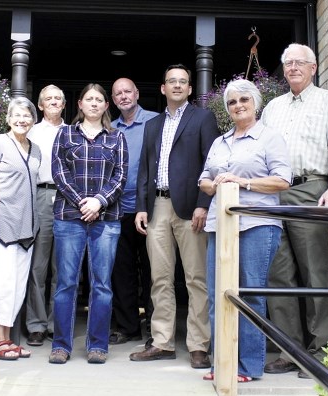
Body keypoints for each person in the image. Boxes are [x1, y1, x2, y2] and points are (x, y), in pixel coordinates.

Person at [261, 43, 328, 378]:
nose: (294, 67)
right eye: (288, 63)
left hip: (310, 189)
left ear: (313, 68)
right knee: (277, 273)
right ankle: (290, 351)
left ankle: (320, 354)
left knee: (315, 270)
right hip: (274, 194)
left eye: (300, 62)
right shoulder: (272, 108)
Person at [198, 79, 291, 382]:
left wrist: (242, 183)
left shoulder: (269, 138)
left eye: (244, 101)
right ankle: (221, 363)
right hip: (219, 223)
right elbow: (204, 178)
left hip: (257, 223)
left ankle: (249, 366)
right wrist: (213, 185)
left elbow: (282, 180)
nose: (238, 106)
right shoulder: (219, 141)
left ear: (255, 103)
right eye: (232, 102)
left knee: (250, 294)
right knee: (217, 294)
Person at [129, 64, 220, 369]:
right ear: (163, 88)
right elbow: (144, 169)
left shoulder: (203, 118)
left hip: (191, 207)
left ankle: (198, 345)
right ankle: (162, 342)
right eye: (172, 81)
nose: (178, 86)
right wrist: (142, 206)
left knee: (196, 278)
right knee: (160, 278)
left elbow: (213, 163)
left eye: (183, 82)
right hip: (158, 207)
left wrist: (204, 203)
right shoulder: (152, 125)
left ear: (190, 89)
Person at [48, 83, 127, 365]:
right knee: (66, 283)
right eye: (89, 99)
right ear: (79, 104)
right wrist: (84, 202)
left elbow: (120, 177)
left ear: (107, 106)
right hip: (69, 218)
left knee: (102, 285)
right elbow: (58, 172)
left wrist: (99, 202)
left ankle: (98, 345)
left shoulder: (117, 138)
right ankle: (61, 345)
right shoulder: (65, 134)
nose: (94, 103)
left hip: (106, 220)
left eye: (99, 100)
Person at [0, 97, 41, 361]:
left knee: (17, 287)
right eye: (16, 115)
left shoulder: (35, 149)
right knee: (3, 284)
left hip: (27, 227)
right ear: (8, 119)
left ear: (33, 120)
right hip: (3, 224)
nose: (21, 120)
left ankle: (5, 339)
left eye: (27, 116)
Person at [109, 78, 158, 345]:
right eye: (118, 93)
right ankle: (128, 327)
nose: (124, 96)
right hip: (116, 210)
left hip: (149, 208)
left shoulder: (155, 122)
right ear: (113, 99)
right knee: (122, 272)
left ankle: (154, 329)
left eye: (128, 91)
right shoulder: (109, 127)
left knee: (154, 271)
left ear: (137, 93)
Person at [24, 85, 67, 347]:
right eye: (48, 98)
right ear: (40, 105)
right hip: (40, 196)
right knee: (38, 266)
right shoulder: (31, 131)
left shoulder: (73, 131)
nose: (53, 102)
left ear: (64, 105)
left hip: (67, 199)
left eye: (57, 99)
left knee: (62, 267)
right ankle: (36, 325)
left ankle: (57, 324)